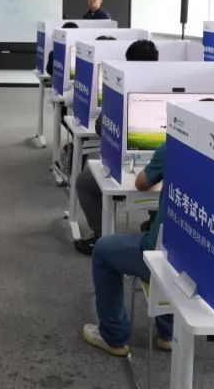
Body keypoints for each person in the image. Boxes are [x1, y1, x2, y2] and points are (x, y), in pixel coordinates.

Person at [82, 144, 172, 356]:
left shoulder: (172, 147)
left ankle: (113, 336)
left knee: (103, 250)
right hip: (208, 267)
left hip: (159, 258)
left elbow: (141, 183)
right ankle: (169, 333)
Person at [74, 39, 160, 255]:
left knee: (84, 182)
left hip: (130, 164)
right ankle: (154, 222)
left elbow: (101, 127)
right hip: (162, 166)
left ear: (128, 62)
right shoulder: (167, 84)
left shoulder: (123, 87)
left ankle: (99, 234)